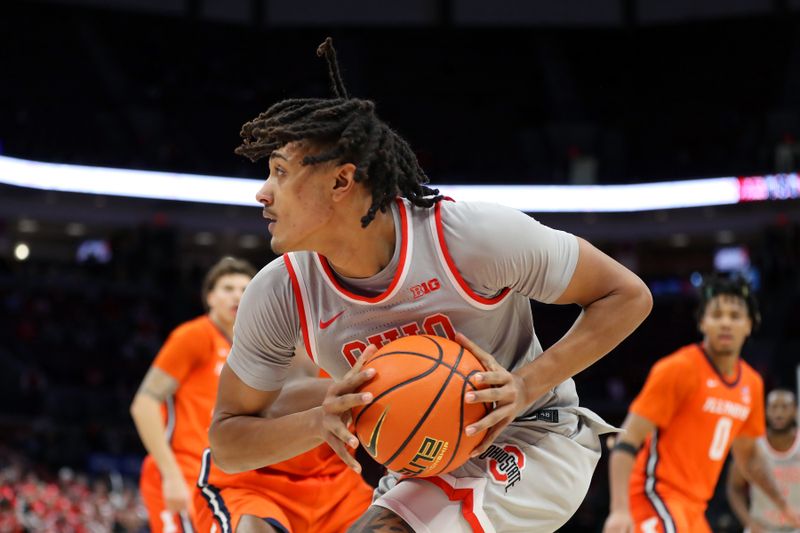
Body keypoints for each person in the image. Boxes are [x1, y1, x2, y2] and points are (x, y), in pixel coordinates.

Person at [209, 38, 653, 533]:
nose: (262, 192)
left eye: (280, 172)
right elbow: (228, 443)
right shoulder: (279, 293)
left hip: (533, 436)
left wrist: (525, 385)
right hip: (423, 461)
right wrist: (320, 420)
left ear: (341, 183)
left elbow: (627, 295)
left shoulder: (469, 238)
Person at [602, 275, 800, 533]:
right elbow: (626, 441)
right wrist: (619, 510)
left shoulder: (751, 384)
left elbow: (749, 458)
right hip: (653, 496)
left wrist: (784, 506)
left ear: (749, 325)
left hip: (694, 508)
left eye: (735, 315)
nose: (726, 322)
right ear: (703, 323)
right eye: (717, 314)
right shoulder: (678, 369)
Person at [130, 257, 256, 533]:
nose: (237, 295)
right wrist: (171, 475)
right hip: (183, 471)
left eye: (246, 289)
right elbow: (144, 404)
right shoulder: (194, 336)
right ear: (209, 297)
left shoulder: (255, 348)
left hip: (224, 475)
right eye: (228, 288)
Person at [192, 356, 374, 533]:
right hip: (255, 486)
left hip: (340, 492)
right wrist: (371, 390)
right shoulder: (285, 332)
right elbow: (275, 402)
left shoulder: (387, 338)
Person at [726, 388, 800, 533]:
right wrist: (749, 522)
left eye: (784, 407)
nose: (778, 414)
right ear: (765, 411)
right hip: (761, 527)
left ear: (795, 411)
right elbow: (734, 488)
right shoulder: (752, 444)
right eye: (773, 407)